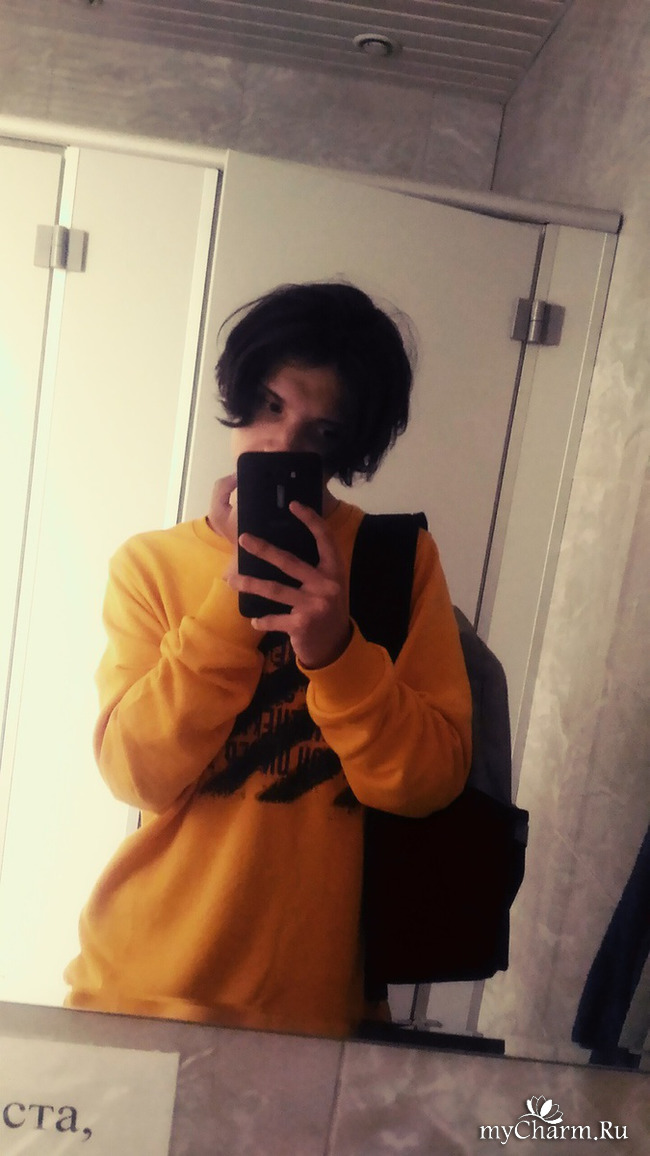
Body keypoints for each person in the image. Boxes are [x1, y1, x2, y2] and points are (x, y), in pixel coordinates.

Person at [64, 282, 472, 1038]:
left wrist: (337, 652)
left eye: (320, 430)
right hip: (139, 988)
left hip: (315, 1014)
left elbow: (427, 784)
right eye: (270, 406)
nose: (282, 445)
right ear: (239, 394)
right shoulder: (150, 566)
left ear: (348, 445)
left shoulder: (397, 562)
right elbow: (136, 774)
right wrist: (232, 600)